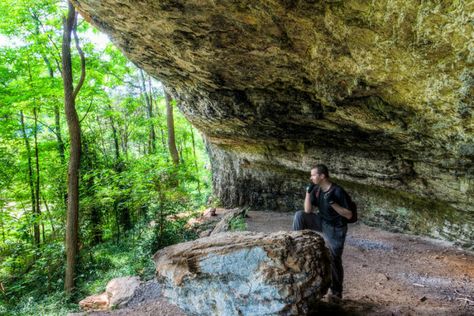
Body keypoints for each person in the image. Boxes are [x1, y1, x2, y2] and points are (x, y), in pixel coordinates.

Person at [292, 164, 354, 299]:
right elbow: (308, 211)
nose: (311, 177)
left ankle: (337, 293)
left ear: (322, 176)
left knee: (334, 259)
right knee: (300, 215)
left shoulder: (338, 191)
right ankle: (294, 247)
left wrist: (333, 204)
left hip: (336, 228)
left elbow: (349, 215)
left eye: (313, 175)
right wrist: (308, 193)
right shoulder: (316, 189)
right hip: (322, 222)